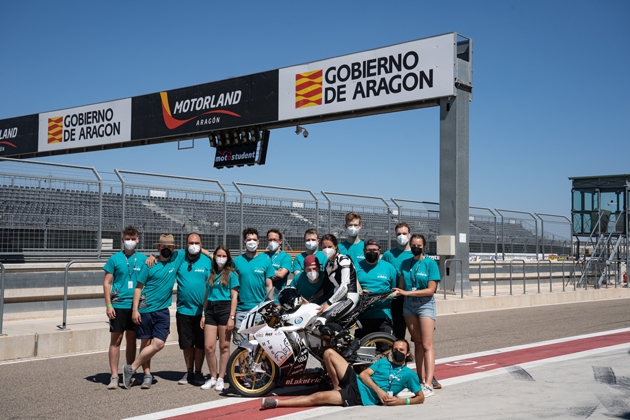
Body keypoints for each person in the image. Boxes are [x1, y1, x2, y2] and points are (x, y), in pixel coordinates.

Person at [260, 339, 423, 409]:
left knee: (318, 397)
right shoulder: (383, 362)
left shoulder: (409, 375)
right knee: (329, 352)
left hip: (358, 395)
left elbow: (420, 397)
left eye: (401, 350)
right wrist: (379, 391)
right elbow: (365, 375)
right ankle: (337, 387)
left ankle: (277, 403)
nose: (397, 352)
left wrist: (403, 402)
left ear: (408, 353)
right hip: (356, 379)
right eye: (394, 350)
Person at [123, 234, 186, 389]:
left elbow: (195, 248)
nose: (167, 249)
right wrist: (135, 310)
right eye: (163, 247)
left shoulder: (176, 258)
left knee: (158, 344)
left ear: (174, 248)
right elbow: (138, 288)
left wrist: (210, 254)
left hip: (163, 310)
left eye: (170, 247)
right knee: (146, 343)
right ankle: (147, 375)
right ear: (158, 248)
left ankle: (131, 368)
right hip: (145, 309)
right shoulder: (149, 264)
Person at [393, 234, 441, 398]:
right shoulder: (405, 263)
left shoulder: (430, 263)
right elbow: (400, 287)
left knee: (427, 345)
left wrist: (406, 292)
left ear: (424, 246)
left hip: (425, 304)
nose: (415, 247)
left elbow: (430, 290)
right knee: (418, 344)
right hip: (409, 305)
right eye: (413, 245)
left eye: (418, 245)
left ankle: (429, 384)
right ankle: (419, 381)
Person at [102, 225, 147, 389]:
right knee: (116, 340)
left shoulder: (143, 259)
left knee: (131, 339)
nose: (130, 242)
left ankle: (130, 372)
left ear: (137, 240)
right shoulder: (114, 259)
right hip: (119, 305)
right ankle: (114, 376)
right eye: (127, 239)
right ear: (122, 240)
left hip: (137, 305)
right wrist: (108, 305)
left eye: (132, 239)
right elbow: (107, 283)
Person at [200, 245, 239, 392]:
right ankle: (213, 377)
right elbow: (206, 295)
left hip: (225, 309)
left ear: (227, 258)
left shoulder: (231, 275)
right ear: (214, 257)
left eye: (224, 256)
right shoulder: (211, 273)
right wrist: (203, 313)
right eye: (218, 256)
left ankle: (221, 378)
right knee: (209, 347)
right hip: (211, 309)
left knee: (224, 347)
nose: (220, 258)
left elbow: (234, 297)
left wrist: (231, 317)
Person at [174, 233, 210, 386]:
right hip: (184, 311)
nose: (193, 245)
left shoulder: (208, 261)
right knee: (187, 344)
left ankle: (198, 372)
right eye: (190, 242)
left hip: (202, 312)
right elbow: (164, 256)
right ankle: (188, 372)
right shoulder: (179, 258)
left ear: (201, 244)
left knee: (200, 344)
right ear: (186, 244)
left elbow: (224, 259)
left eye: (197, 243)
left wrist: (207, 252)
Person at [231, 228, 275, 345]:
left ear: (258, 241)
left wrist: (269, 305)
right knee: (242, 346)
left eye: (254, 239)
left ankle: (259, 365)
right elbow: (234, 287)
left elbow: (269, 285)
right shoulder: (236, 261)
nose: (252, 242)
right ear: (244, 242)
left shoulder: (265, 260)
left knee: (261, 345)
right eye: (249, 239)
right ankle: (243, 364)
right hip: (241, 310)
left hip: (260, 310)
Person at [356, 238, 397, 340]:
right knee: (362, 350)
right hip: (363, 315)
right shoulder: (356, 266)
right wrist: (359, 290)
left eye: (374, 250)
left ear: (380, 250)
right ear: (364, 251)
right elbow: (352, 285)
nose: (372, 252)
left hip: (383, 314)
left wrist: (389, 296)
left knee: (385, 349)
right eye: (369, 250)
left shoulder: (389, 268)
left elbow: (395, 290)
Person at [382, 222, 413, 341]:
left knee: (416, 335)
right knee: (396, 333)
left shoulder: (416, 254)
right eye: (399, 234)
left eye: (404, 233)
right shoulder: (388, 255)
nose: (402, 236)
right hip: (394, 299)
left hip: (411, 299)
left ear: (409, 235)